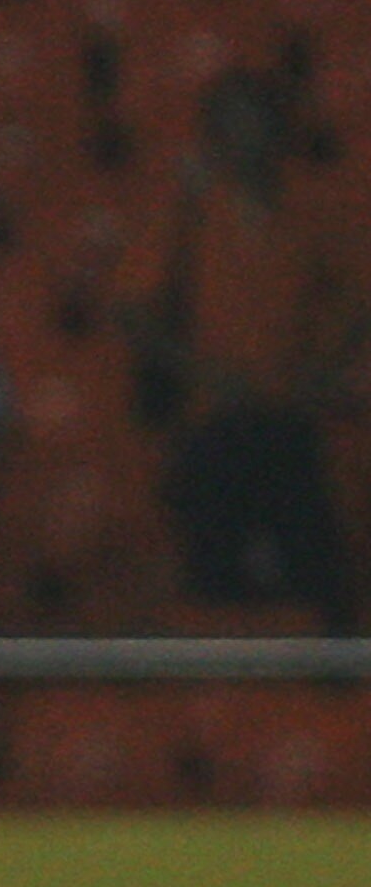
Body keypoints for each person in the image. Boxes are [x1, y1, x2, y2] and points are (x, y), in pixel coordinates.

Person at [120, 70, 363, 630]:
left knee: (319, 577)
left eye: (258, 120)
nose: (248, 134)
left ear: (279, 131)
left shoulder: (311, 211)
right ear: (215, 135)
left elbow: (358, 292)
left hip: (291, 419)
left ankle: (327, 682)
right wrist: (199, 372)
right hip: (215, 422)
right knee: (214, 577)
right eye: (234, 122)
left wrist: (325, 368)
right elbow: (133, 308)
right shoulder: (190, 212)